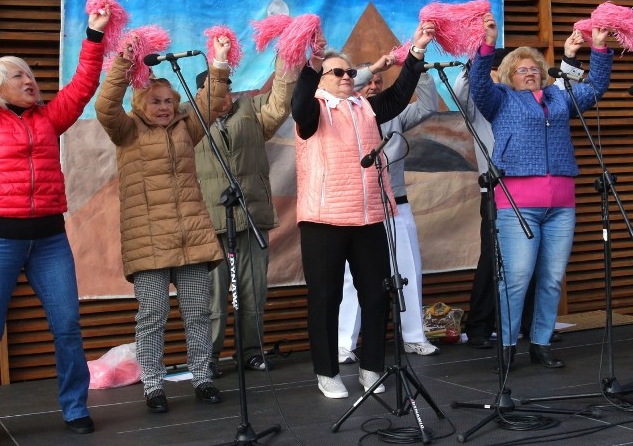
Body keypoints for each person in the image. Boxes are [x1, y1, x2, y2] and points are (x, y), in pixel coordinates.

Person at [0, 0, 109, 444]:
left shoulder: (49, 118)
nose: (30, 80)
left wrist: (94, 34)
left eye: (31, 74)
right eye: (18, 75)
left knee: (68, 326)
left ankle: (75, 407)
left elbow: (83, 84)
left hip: (49, 238)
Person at [291, 22, 435, 398]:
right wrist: (312, 64)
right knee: (326, 299)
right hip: (324, 220)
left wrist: (416, 51)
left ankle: (372, 369)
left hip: (370, 215)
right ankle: (327, 372)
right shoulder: (313, 111)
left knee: (377, 294)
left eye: (350, 72)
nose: (346, 77)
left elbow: (401, 95)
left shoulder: (365, 107)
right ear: (322, 78)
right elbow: (298, 105)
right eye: (337, 72)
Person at [469, 13, 612, 371]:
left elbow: (596, 87)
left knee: (551, 279)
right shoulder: (500, 99)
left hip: (562, 204)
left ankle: (541, 342)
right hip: (517, 204)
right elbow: (478, 86)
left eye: (535, 68)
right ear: (508, 76)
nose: (530, 72)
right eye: (522, 69)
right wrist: (487, 43)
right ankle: (506, 345)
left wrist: (599, 47)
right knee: (516, 278)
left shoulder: (558, 99)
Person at [94, 37, 230, 412]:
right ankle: (153, 385)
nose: (165, 107)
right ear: (140, 103)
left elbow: (212, 102)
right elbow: (105, 106)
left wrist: (218, 63)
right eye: (156, 101)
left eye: (169, 101)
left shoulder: (188, 126)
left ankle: (202, 377)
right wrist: (124, 62)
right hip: (148, 242)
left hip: (190, 238)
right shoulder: (126, 130)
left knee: (198, 313)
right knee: (152, 317)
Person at [456, 36, 585, 350]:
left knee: (539, 268)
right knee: (499, 264)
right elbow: (466, 90)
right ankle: (482, 327)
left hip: (545, 192)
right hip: (501, 189)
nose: (527, 73)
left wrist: (570, 58)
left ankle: (531, 328)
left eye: (532, 68)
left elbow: (565, 90)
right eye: (515, 68)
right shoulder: (491, 98)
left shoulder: (541, 101)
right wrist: (478, 60)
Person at [194, 54, 298, 377]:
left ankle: (251, 351)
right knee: (211, 298)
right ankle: (207, 357)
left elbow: (280, 100)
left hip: (251, 217)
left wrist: (289, 60)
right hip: (210, 224)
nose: (224, 98)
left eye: (227, 90)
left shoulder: (250, 111)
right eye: (216, 92)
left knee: (254, 290)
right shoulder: (190, 123)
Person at [337, 55, 440, 365]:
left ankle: (413, 337)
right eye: (367, 81)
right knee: (353, 277)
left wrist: (418, 69)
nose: (373, 85)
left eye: (378, 82)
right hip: (357, 207)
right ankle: (344, 343)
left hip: (396, 203)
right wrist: (372, 69)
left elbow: (427, 106)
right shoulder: (342, 113)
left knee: (408, 271)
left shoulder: (395, 115)